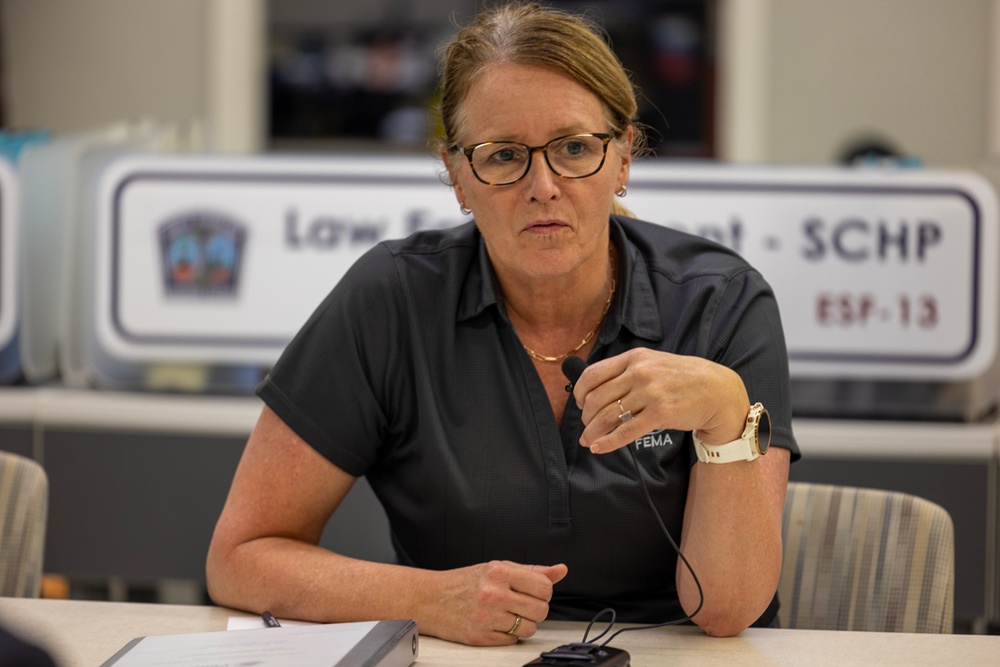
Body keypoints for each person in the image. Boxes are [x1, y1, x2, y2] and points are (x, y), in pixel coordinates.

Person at [206, 1, 798, 647]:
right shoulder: (392, 299)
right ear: (458, 175)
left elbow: (727, 609)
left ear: (624, 157)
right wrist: (427, 598)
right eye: (503, 155)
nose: (543, 185)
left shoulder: (722, 302)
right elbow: (240, 555)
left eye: (575, 148)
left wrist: (726, 415)